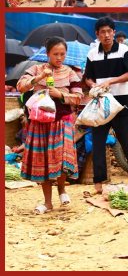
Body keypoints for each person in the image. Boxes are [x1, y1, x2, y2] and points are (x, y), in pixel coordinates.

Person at [16, 37, 84, 214]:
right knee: (44, 160)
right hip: (40, 123)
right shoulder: (36, 69)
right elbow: (20, 87)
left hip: (62, 122)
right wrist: (39, 78)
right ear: (47, 54)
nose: (59, 57)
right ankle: (48, 202)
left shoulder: (70, 72)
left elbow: (78, 97)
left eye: (62, 54)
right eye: (55, 54)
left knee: (60, 160)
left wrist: (60, 95)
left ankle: (62, 189)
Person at [84, 17, 128, 194]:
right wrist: (92, 85)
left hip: (121, 102)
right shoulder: (93, 53)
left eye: (109, 31)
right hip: (101, 104)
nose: (107, 35)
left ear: (113, 32)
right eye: (102, 32)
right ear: (97, 34)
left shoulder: (123, 50)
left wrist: (112, 81)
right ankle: (98, 184)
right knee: (98, 142)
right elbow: (88, 77)